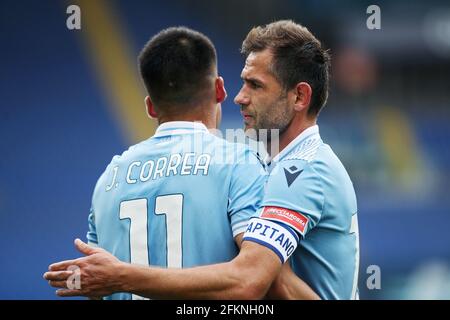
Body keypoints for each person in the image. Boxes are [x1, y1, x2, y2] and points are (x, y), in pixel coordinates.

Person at [45, 20, 358, 300]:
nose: (240, 97)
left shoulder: (108, 178)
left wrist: (122, 276)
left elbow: (253, 280)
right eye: (242, 82)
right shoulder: (245, 164)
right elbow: (262, 282)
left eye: (255, 85)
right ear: (218, 89)